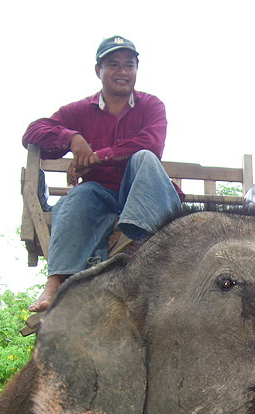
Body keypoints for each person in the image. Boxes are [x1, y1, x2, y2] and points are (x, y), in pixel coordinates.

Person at [23, 36, 182, 312]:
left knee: (143, 157)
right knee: (78, 197)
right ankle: (55, 282)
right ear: (99, 70)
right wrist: (71, 138)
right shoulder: (80, 110)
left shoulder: (151, 105)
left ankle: (138, 241)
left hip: (142, 190)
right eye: (113, 65)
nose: (122, 72)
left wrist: (98, 155)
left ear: (136, 70)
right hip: (100, 192)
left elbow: (151, 144)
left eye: (129, 66)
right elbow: (33, 132)